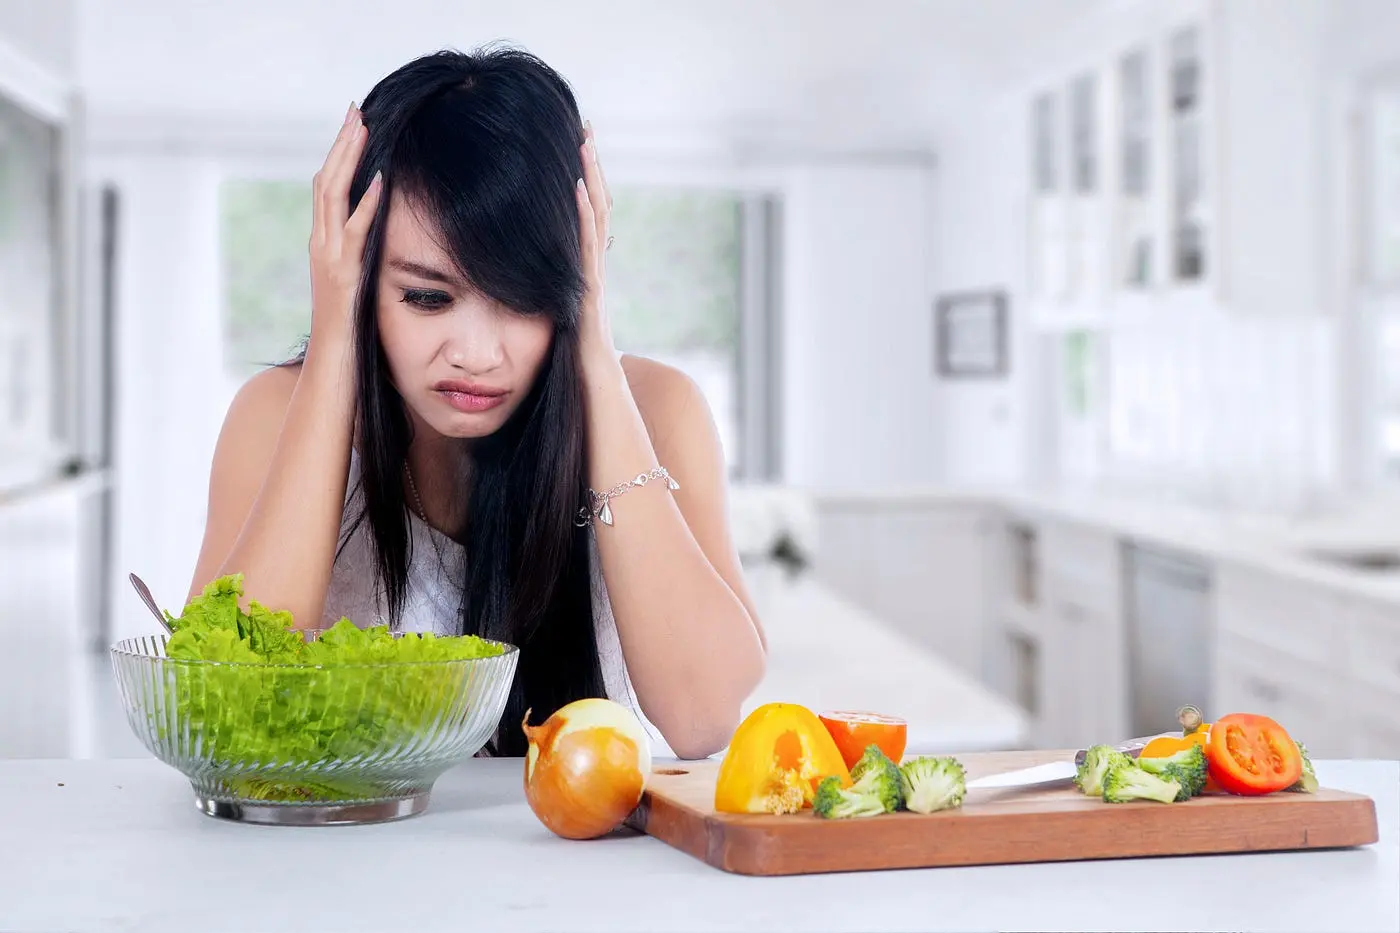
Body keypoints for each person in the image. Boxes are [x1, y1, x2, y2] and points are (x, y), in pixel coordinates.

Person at [186, 47, 767, 760]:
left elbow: (703, 716)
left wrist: (594, 359)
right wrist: (337, 335)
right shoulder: (274, 415)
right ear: (358, 273)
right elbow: (228, 711)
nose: (476, 353)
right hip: (340, 862)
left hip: (575, 860)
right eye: (427, 297)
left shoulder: (657, 409)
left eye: (521, 300)